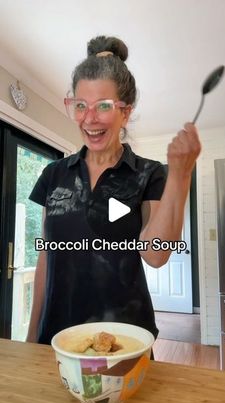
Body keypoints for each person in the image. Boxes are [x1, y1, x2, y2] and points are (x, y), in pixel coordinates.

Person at [26, 35, 201, 349]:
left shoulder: (148, 174)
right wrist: (31, 335)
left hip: (125, 341)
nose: (89, 118)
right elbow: (46, 258)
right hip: (56, 338)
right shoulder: (53, 174)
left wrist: (180, 174)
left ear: (126, 111)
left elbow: (157, 254)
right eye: (81, 105)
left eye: (103, 106)